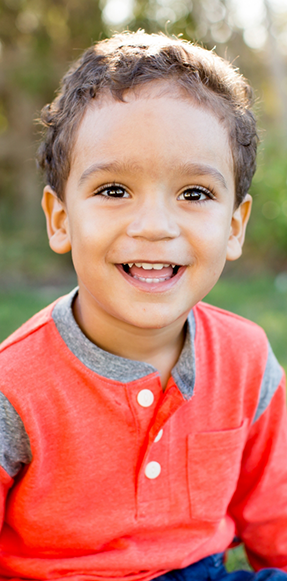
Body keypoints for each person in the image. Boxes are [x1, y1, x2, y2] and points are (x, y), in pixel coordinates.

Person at [0, 30, 286, 581]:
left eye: (195, 193)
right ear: (60, 218)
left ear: (234, 225)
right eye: (113, 190)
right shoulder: (15, 386)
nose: (154, 226)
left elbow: (277, 519)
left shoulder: (247, 360)